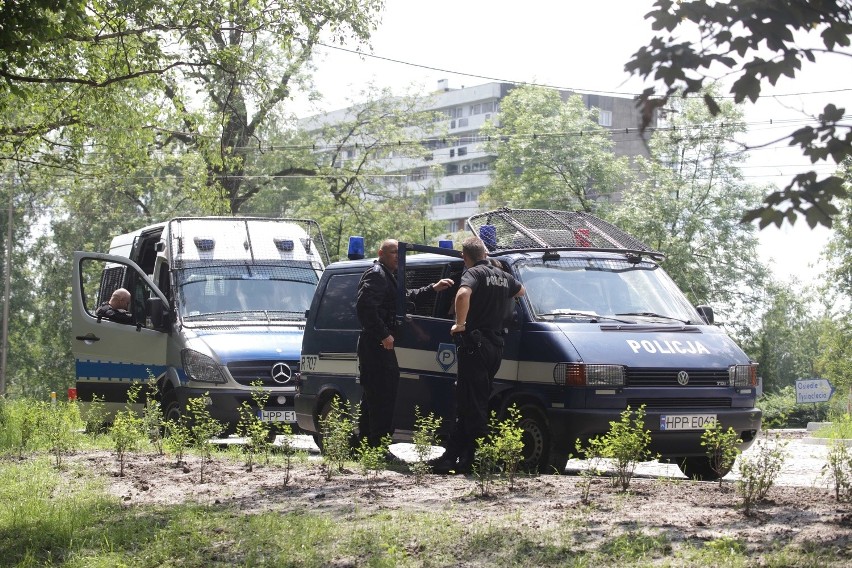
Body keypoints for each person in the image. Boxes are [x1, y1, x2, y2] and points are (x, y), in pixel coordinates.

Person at [431, 236, 525, 474]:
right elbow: (521, 291)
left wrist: (459, 324)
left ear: (465, 257)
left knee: (474, 403)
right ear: (485, 253)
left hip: (475, 345)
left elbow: (462, 295)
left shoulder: (474, 273)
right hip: (495, 346)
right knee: (468, 400)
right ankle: (454, 456)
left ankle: (481, 457)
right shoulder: (503, 276)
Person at [356, 239, 454, 450]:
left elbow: (405, 297)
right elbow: (365, 307)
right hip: (376, 344)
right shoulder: (377, 274)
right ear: (381, 252)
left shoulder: (389, 276)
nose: (398, 257)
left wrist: (433, 288)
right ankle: (378, 447)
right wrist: (383, 335)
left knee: (375, 396)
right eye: (393, 253)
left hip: (379, 344)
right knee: (383, 395)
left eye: (400, 254)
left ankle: (366, 446)